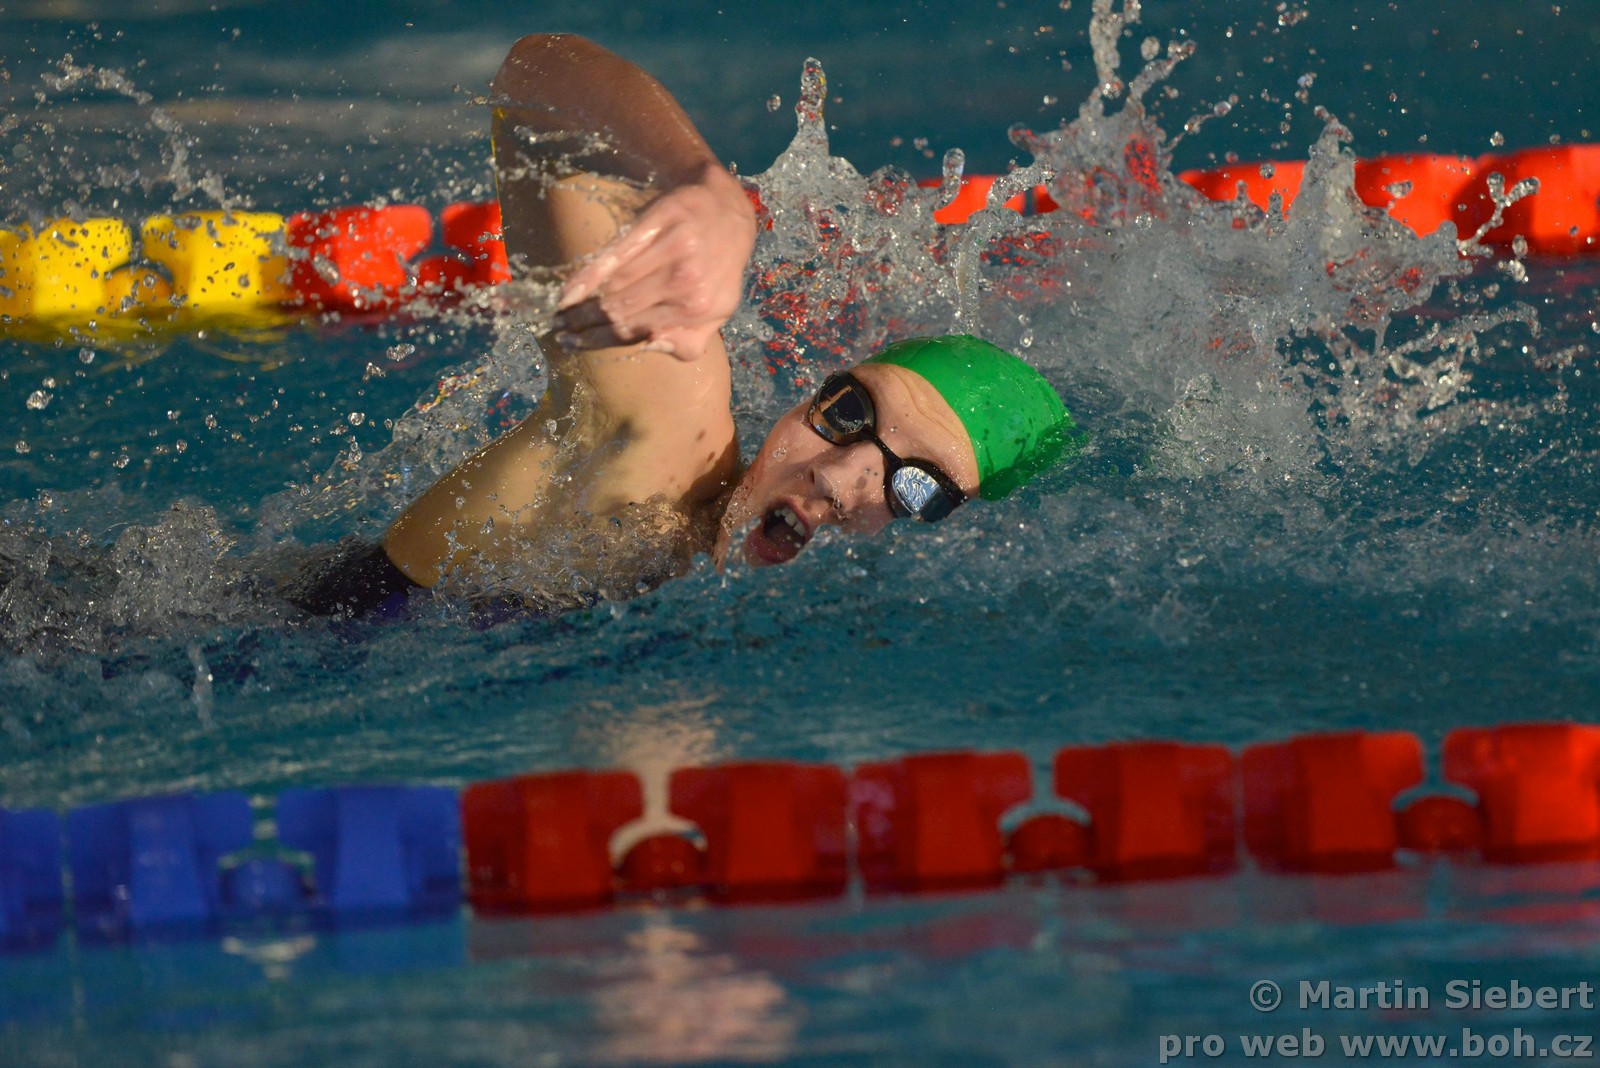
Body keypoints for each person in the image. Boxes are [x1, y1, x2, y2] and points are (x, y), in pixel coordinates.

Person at [284, 34, 1078, 618]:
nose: (838, 481)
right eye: (847, 414)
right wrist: (698, 184)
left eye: (915, 488)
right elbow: (532, 82)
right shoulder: (659, 465)